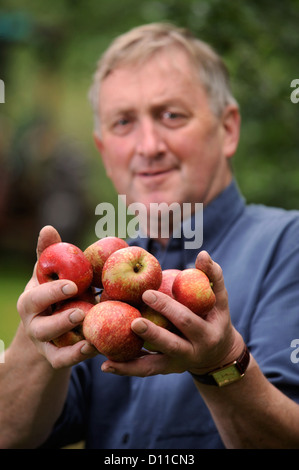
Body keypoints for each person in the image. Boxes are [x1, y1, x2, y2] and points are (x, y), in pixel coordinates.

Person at [1, 22, 299, 450]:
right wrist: (37, 337)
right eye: (123, 122)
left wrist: (223, 363)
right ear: (104, 152)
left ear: (228, 129)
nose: (148, 144)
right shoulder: (100, 277)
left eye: (171, 115)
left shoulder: (288, 246)